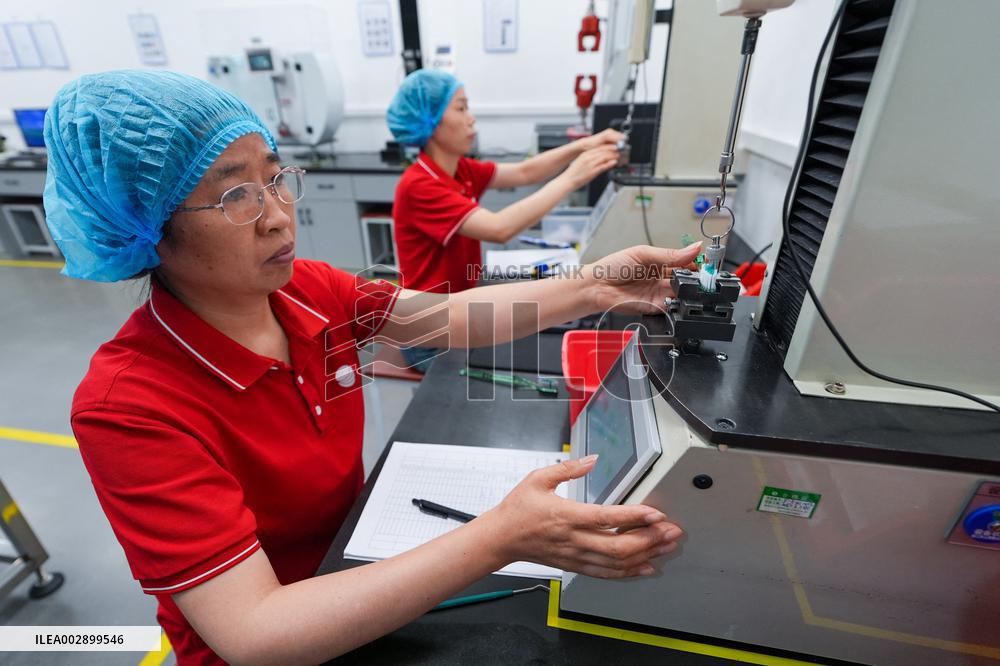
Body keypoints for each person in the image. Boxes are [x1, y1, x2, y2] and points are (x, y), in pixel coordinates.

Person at [44, 70, 701, 665]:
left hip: (355, 578)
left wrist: (593, 286)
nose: (278, 216)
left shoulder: (307, 290)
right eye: (236, 195)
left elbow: (449, 318)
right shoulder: (129, 406)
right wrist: (500, 537)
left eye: (275, 178)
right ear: (146, 224)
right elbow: (255, 632)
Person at [387, 69, 624, 371]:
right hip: (429, 334)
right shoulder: (419, 185)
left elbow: (526, 172)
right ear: (430, 121)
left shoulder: (459, 169)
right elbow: (499, 229)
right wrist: (572, 178)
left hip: (456, 312)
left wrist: (584, 145)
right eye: (461, 108)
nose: (471, 119)